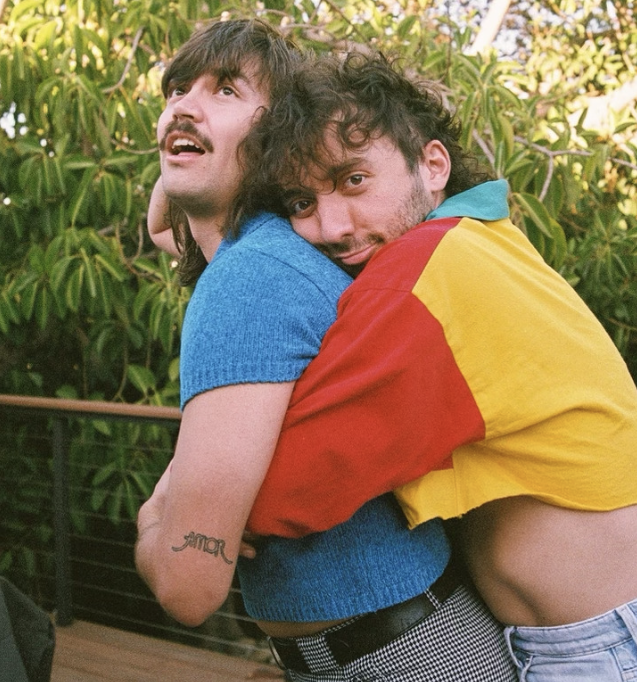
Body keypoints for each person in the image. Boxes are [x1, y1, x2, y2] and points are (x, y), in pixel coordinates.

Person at [236, 52, 637, 681]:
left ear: (433, 165)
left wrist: (186, 509)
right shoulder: (479, 238)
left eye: (354, 179)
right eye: (301, 202)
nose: (331, 227)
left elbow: (292, 479)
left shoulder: (428, 269)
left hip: (605, 652)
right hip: (613, 636)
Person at [135, 18, 517, 682]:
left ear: (277, 136)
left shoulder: (248, 281)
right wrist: (194, 135)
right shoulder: (282, 252)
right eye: (177, 90)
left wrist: (155, 515)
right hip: (417, 630)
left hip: (401, 659)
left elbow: (186, 587)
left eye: (226, 89)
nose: (186, 105)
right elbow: (163, 226)